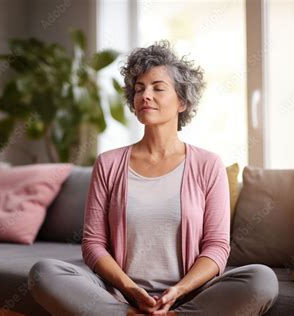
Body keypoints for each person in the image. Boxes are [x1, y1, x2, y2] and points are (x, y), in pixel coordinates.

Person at [28, 40, 279, 315]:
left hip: (189, 297)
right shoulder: (108, 164)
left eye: (158, 88)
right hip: (119, 296)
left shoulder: (208, 164)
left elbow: (217, 247)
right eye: (139, 89)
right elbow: (93, 245)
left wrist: (179, 290)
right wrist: (130, 289)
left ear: (182, 101)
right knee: (44, 272)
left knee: (262, 279)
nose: (145, 95)